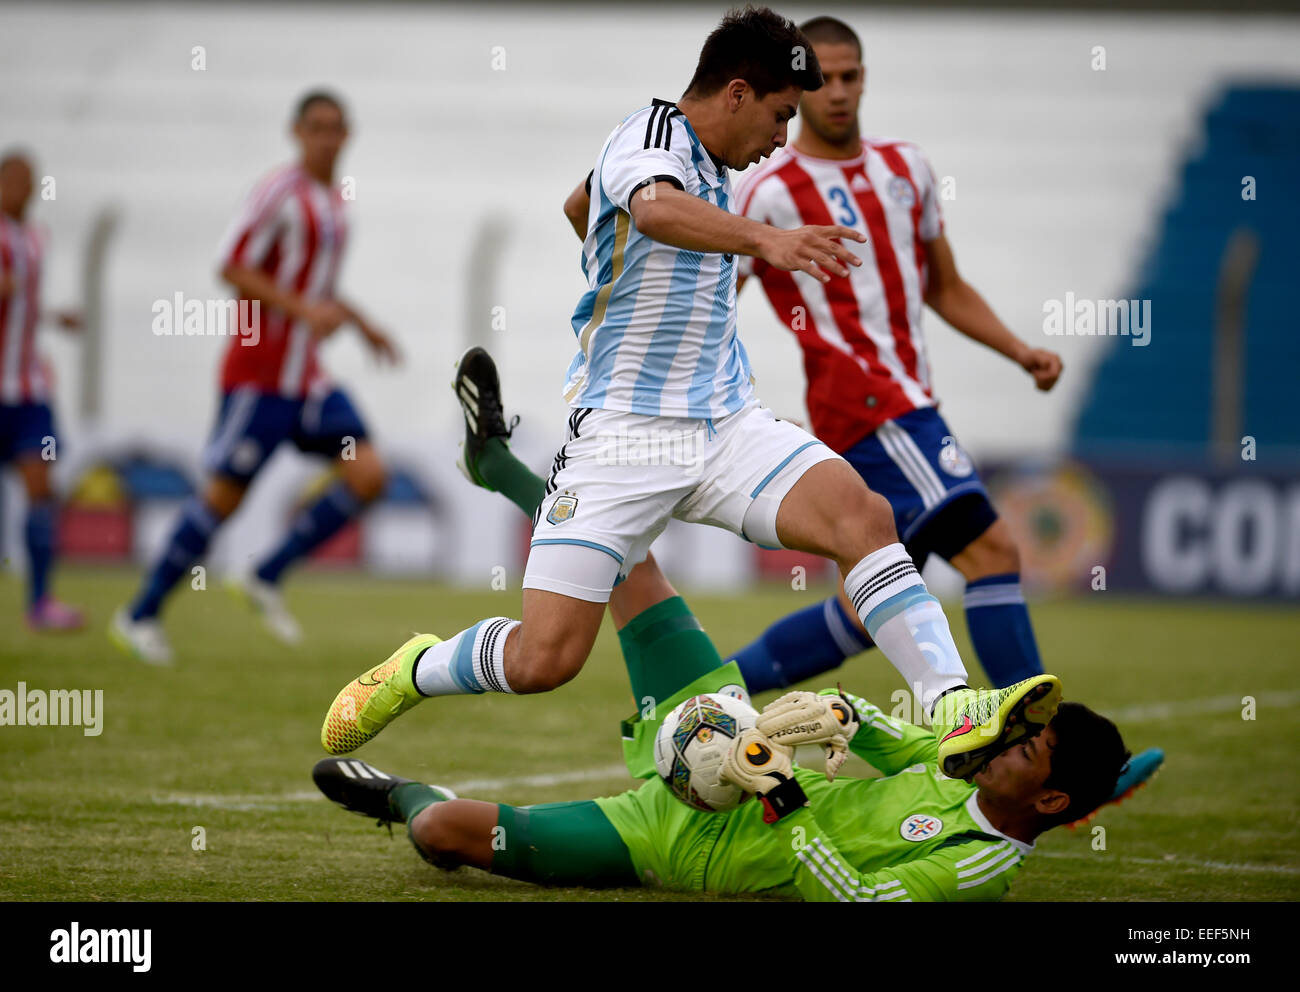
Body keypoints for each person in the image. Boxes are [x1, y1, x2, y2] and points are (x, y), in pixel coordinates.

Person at [321, 7, 1062, 782]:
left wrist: (607, 251)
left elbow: (583, 205)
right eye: (780, 116)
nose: (782, 137)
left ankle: (951, 706)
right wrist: (768, 239)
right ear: (737, 94)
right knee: (546, 659)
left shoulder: (716, 167)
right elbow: (651, 206)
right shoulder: (650, 137)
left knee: (863, 514)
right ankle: (416, 668)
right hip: (623, 437)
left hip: (726, 425)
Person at [312, 556, 1127, 902]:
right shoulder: (966, 767)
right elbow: (893, 739)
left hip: (690, 845)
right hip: (730, 735)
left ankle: (406, 796)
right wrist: (846, 715)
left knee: (444, 835)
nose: (997, 745)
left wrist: (785, 802)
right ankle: (502, 464)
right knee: (622, 554)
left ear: (1051, 799)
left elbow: (859, 896)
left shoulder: (977, 867)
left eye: (1022, 749)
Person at [111, 91, 398, 665]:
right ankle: (139, 614)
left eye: (336, 128)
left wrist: (362, 323)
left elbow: (314, 287)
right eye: (315, 127)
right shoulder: (278, 192)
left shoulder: (335, 204)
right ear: (296, 132)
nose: (326, 137)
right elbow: (232, 265)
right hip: (260, 374)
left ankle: (265, 574)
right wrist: (301, 312)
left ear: (348, 135)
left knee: (368, 475)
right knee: (222, 500)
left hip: (308, 380)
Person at [0, 150, 86, 631]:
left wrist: (55, 318)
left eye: (29, 180)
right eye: (13, 179)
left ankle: (40, 602)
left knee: (40, 490)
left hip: (29, 390)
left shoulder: (36, 237)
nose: (23, 188)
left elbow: (23, 305)